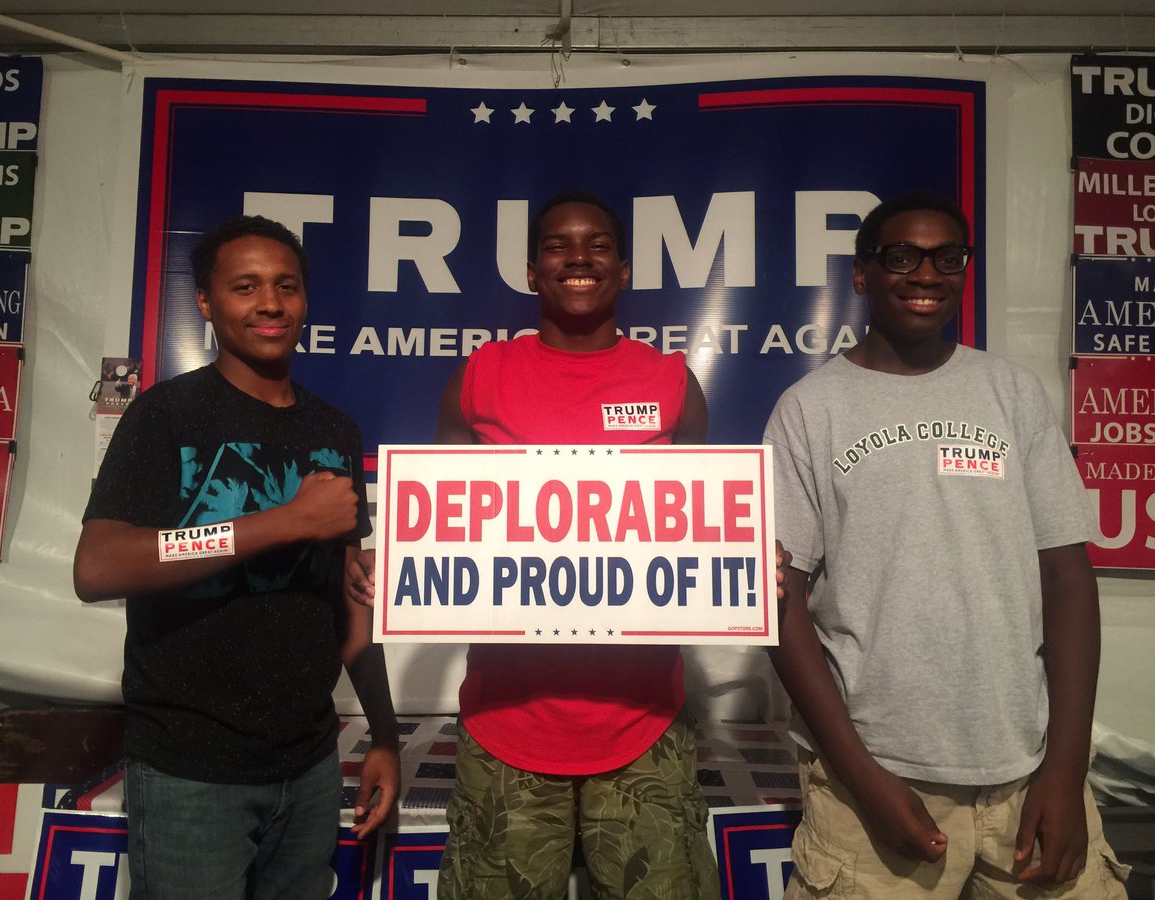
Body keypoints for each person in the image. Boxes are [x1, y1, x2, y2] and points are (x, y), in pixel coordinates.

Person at [763, 191, 1129, 898]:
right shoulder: (809, 410)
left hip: (1028, 775)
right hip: (873, 776)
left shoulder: (1012, 394)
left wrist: (1065, 769)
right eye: (902, 257)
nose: (926, 274)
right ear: (863, 273)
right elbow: (779, 602)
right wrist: (862, 777)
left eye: (947, 257)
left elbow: (1068, 578)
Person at [74, 215, 399, 900]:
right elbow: (97, 568)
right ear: (205, 302)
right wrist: (282, 522)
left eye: (286, 286)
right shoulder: (165, 416)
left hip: (311, 764)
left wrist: (384, 737)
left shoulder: (334, 430)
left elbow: (350, 604)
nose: (270, 303)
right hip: (188, 771)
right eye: (245, 287)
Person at [431, 191, 717, 900]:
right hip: (506, 720)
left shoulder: (670, 382)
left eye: (597, 245)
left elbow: (705, 527)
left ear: (624, 270)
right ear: (532, 271)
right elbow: (439, 524)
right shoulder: (480, 377)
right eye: (558, 245)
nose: (579, 257)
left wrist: (742, 562)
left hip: (644, 721)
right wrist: (397, 564)